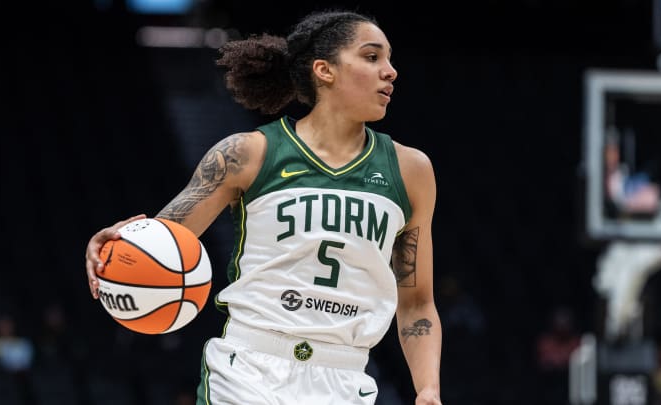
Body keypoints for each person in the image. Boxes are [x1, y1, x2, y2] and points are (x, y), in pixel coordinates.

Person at [85, 9, 442, 405]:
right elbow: (160, 244)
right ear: (325, 70)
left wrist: (427, 389)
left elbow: (417, 301)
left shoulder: (410, 170)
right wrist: (112, 248)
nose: (390, 71)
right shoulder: (248, 153)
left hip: (346, 377)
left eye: (390, 59)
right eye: (372, 57)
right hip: (249, 370)